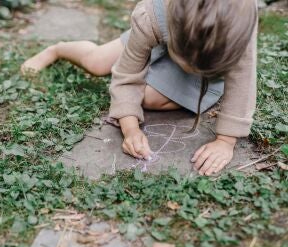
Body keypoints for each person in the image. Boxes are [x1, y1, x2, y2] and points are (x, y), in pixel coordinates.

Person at [21, 0, 258, 176]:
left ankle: (175, 72)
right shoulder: (152, 15)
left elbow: (243, 81)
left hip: (210, 55)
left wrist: (226, 141)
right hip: (163, 32)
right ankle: (57, 49)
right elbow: (127, 74)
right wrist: (130, 128)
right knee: (96, 61)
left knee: (150, 98)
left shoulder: (238, 27)